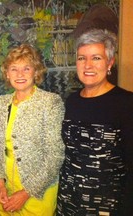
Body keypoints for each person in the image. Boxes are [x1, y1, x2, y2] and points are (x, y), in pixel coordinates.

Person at [57, 28, 133, 216]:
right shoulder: (72, 101)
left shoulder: (126, 103)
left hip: (107, 207)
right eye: (82, 58)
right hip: (68, 203)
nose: (87, 65)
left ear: (110, 63)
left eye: (96, 58)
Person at [0, 44, 65, 215]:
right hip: (7, 192)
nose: (20, 74)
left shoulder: (50, 103)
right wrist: (0, 185)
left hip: (38, 193)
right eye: (14, 69)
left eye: (26, 68)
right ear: (7, 74)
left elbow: (56, 155)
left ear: (36, 72)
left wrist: (26, 193)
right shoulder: (2, 102)